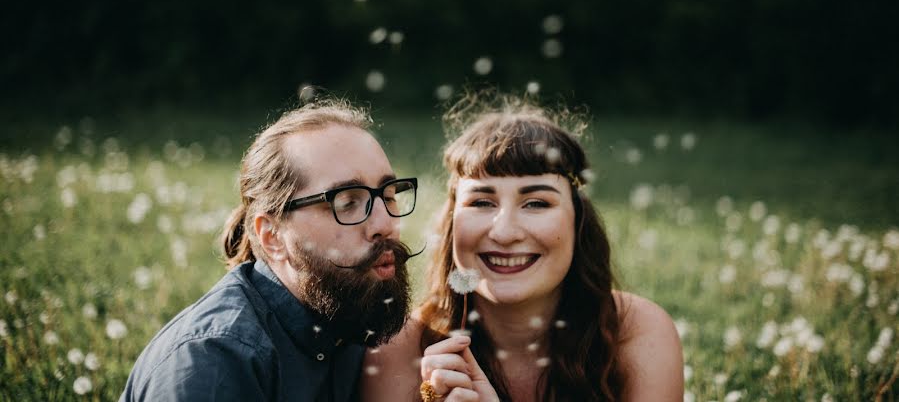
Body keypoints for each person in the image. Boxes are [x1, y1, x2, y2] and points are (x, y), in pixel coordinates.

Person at [362, 94, 683, 401]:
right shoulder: (400, 349)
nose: (504, 232)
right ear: (452, 221)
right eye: (482, 202)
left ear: (578, 221)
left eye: (536, 203)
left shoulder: (634, 332)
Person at [121, 98, 419, 401]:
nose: (386, 223)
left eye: (389, 194)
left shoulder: (354, 317)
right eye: (347, 203)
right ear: (272, 236)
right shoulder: (212, 365)